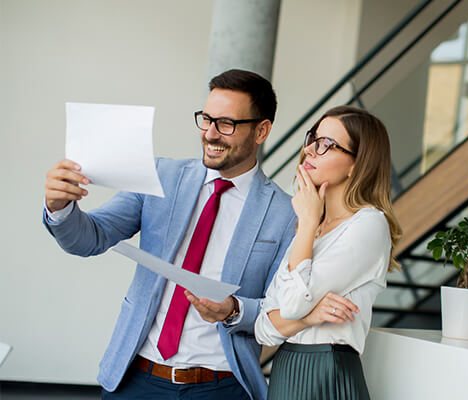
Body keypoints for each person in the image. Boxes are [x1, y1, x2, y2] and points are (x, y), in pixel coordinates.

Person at [43, 69, 296, 400]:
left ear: (261, 130)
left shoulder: (286, 213)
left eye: (226, 124)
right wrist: (60, 207)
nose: (210, 134)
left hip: (222, 388)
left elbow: (281, 308)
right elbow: (89, 238)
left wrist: (234, 309)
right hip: (136, 381)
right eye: (206, 119)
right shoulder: (160, 177)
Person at [254, 106, 402, 399]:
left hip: (327, 371)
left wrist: (307, 223)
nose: (309, 149)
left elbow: (291, 306)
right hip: (287, 368)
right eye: (313, 138)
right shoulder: (312, 229)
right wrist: (308, 319)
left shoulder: (368, 225)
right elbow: (263, 328)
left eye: (325, 144)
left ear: (356, 165)